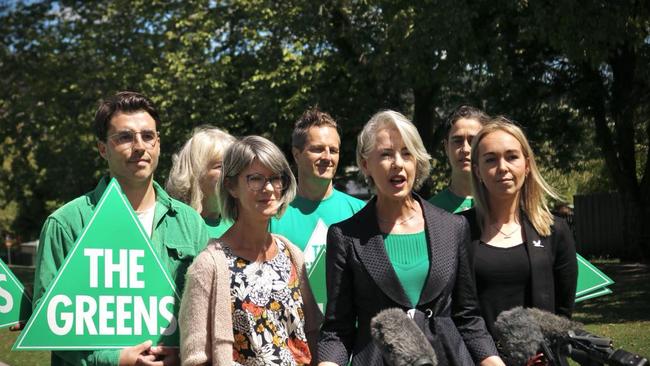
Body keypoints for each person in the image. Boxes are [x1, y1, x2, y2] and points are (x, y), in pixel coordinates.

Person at [32, 91, 209, 365]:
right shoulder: (66, 223)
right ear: (103, 148)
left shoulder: (189, 222)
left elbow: (206, 309)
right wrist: (116, 359)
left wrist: (186, 353)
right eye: (125, 137)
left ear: (158, 144)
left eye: (148, 136)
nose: (139, 146)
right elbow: (49, 323)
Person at [317, 110, 504, 366]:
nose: (398, 163)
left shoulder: (453, 227)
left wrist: (491, 360)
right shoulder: (345, 236)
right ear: (364, 164)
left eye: (407, 153)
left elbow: (468, 317)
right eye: (386, 154)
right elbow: (337, 329)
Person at [180, 136, 323, 365]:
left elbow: (314, 334)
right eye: (255, 179)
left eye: (276, 178)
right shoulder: (209, 265)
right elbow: (196, 358)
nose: (268, 188)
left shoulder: (291, 254)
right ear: (231, 185)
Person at [461, 117, 578, 336]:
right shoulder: (458, 230)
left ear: (527, 165)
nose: (502, 168)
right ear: (477, 171)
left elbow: (563, 313)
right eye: (490, 160)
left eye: (512, 157)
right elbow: (458, 312)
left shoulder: (555, 231)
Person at [269, 107, 365, 309]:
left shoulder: (360, 211)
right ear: (296, 154)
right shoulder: (274, 214)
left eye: (334, 150)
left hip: (347, 338)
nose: (327, 157)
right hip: (292, 336)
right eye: (318, 149)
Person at [166, 125, 236, 238]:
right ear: (196, 173)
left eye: (234, 166)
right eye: (220, 166)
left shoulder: (240, 226)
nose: (232, 173)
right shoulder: (173, 225)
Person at [429, 106, 490, 213]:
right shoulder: (430, 211)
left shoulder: (501, 205)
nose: (465, 149)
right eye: (457, 141)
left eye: (473, 141)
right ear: (446, 147)